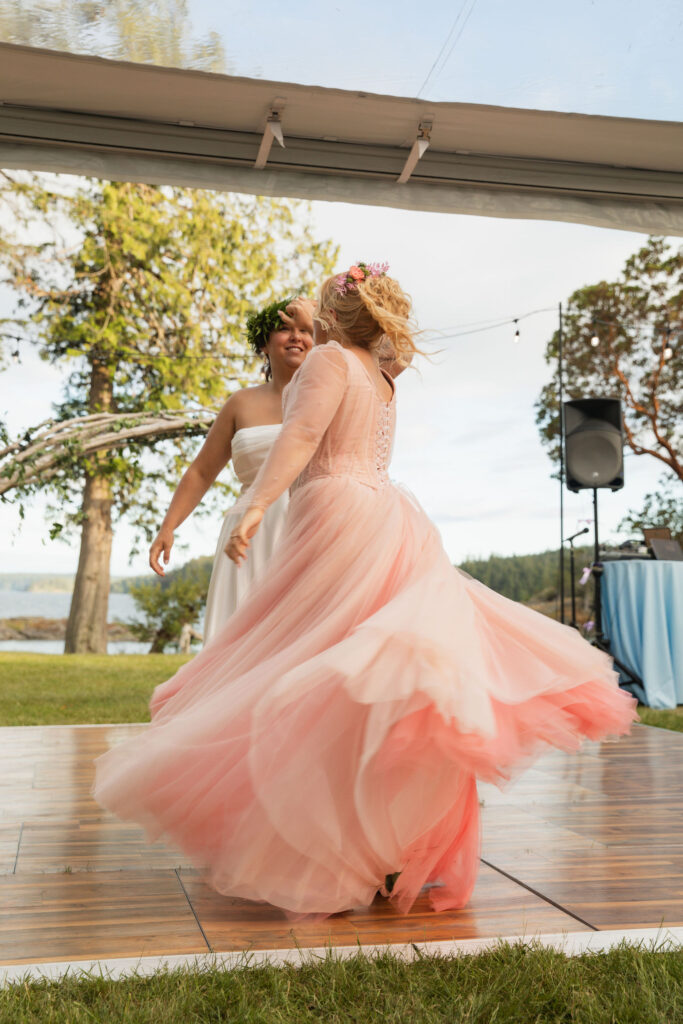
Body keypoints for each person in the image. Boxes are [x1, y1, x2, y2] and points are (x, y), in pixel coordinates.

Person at [93, 261, 637, 921]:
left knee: (305, 667)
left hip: (333, 515)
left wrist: (258, 503)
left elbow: (300, 437)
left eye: (317, 309)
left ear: (330, 315)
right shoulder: (382, 377)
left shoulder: (329, 362)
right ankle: (379, 844)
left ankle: (322, 840)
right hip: (384, 515)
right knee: (369, 676)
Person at [149, 296, 407, 645]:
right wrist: (168, 526)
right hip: (249, 537)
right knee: (239, 644)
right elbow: (200, 472)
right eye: (285, 329)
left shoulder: (343, 383)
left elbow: (399, 356)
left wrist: (328, 323)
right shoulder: (240, 403)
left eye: (304, 329)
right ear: (264, 343)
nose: (296, 337)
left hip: (316, 523)